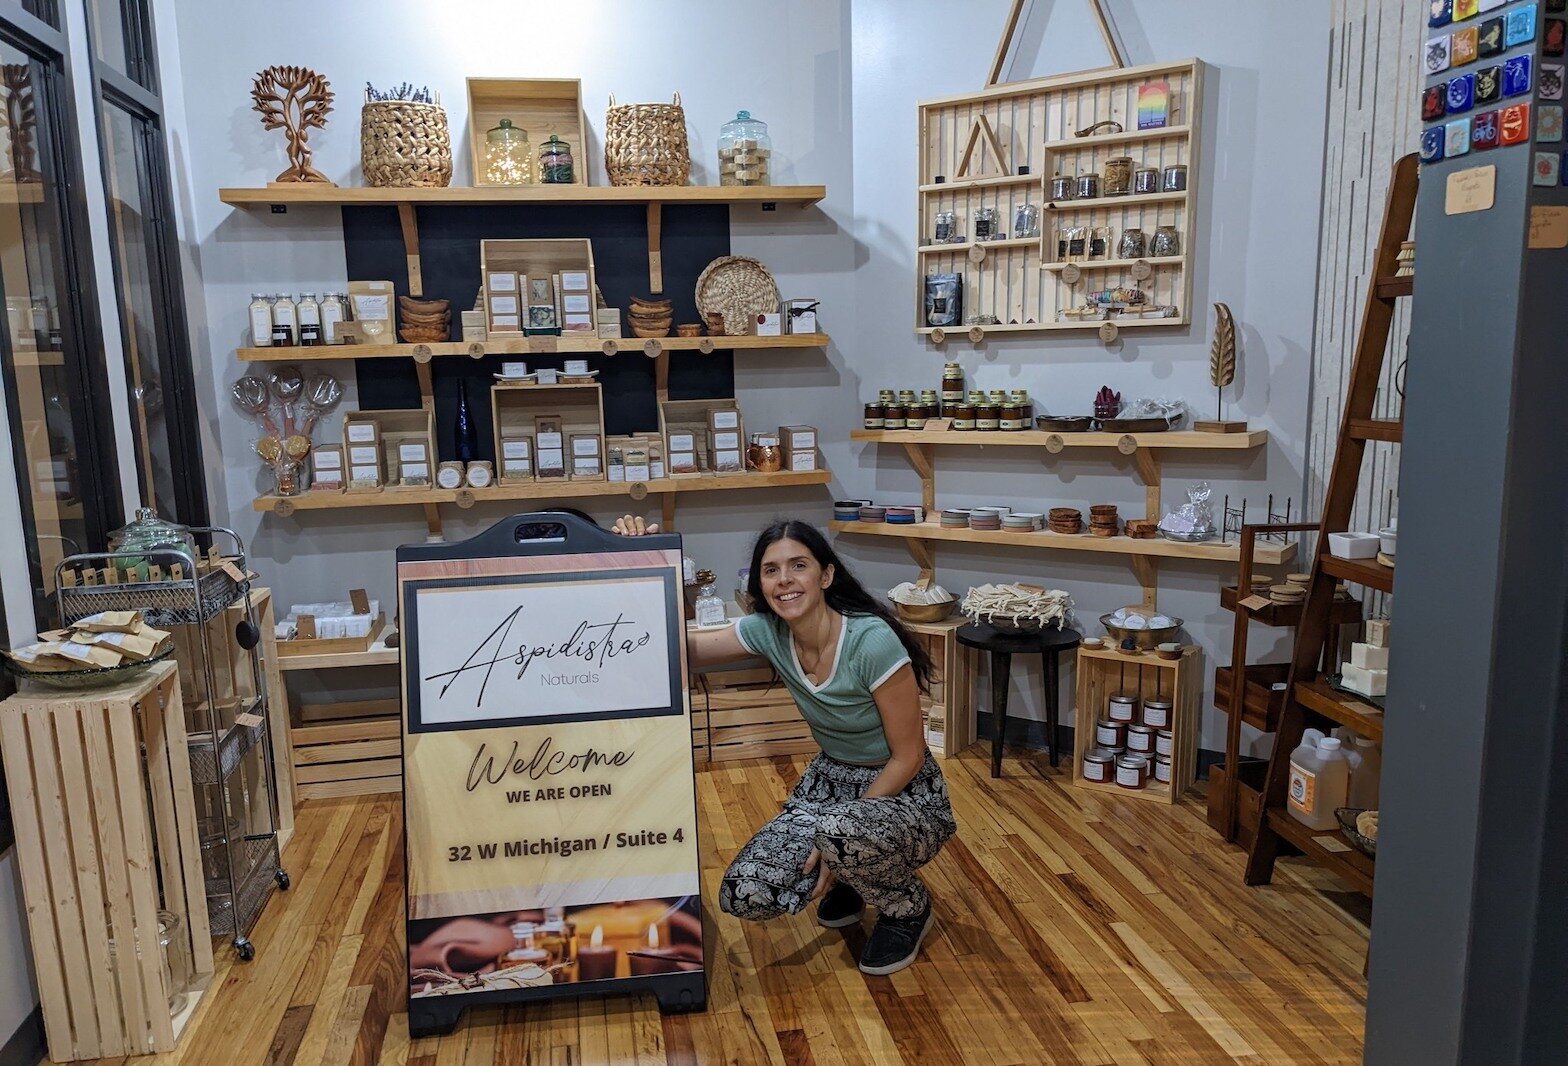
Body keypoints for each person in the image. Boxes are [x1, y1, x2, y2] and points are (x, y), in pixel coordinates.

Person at [613, 514, 956, 975]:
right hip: (828, 785)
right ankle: (856, 876)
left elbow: (909, 755)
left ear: (826, 574)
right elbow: (684, 652)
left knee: (843, 835)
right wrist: (641, 563)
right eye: (771, 570)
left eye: (799, 566)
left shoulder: (871, 641)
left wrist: (839, 845)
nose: (784, 580)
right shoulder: (768, 631)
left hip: (903, 791)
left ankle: (906, 906)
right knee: (745, 892)